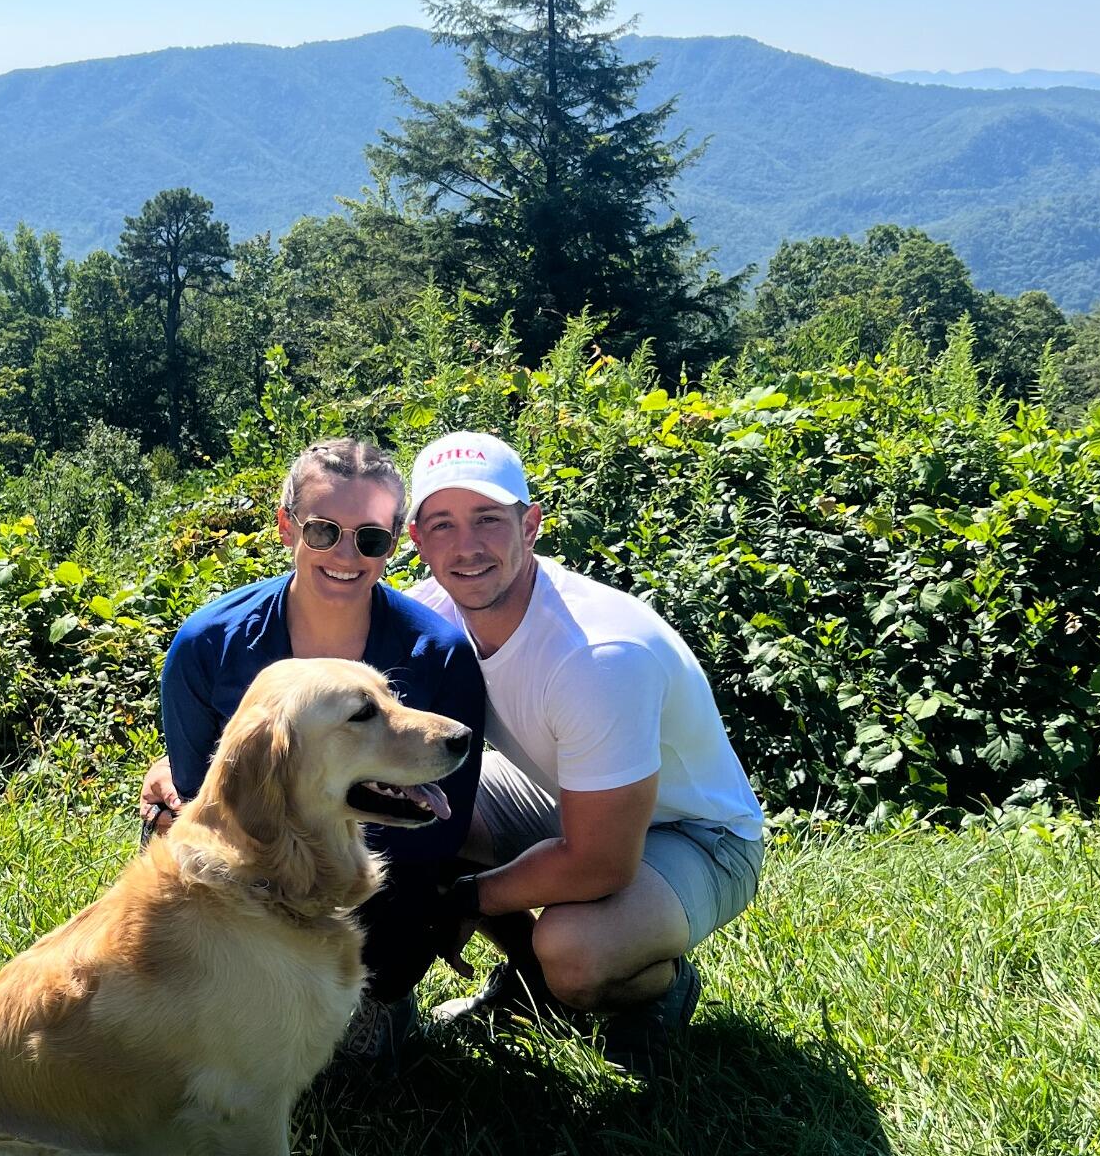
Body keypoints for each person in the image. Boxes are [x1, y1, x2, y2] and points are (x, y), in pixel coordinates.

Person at [406, 429, 764, 1076]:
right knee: (413, 812)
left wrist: (461, 899)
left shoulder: (596, 655)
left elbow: (599, 864)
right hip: (565, 798)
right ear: (415, 540)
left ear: (530, 525)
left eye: (487, 519)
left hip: (697, 837)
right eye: (441, 524)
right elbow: (320, 682)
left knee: (573, 949)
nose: (466, 547)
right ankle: (530, 983)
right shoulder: (430, 613)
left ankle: (647, 988)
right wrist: (191, 761)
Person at [138, 437, 485, 1069]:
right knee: (164, 836)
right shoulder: (208, 644)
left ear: (396, 544)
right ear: (286, 526)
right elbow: (203, 803)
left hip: (381, 873)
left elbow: (442, 830)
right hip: (250, 869)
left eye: (371, 538)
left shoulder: (439, 653)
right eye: (324, 530)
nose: (347, 556)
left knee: (357, 1056)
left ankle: (381, 995)